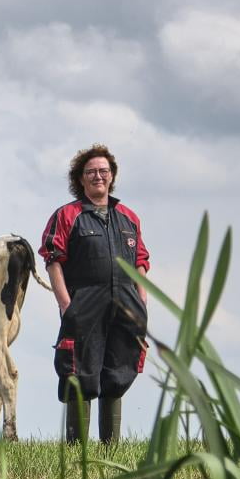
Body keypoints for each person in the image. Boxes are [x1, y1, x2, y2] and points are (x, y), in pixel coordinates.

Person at [40, 144, 149, 443]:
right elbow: (53, 259)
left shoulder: (129, 217)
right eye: (91, 172)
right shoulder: (67, 215)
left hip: (126, 302)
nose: (98, 176)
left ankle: (110, 448)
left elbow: (141, 261)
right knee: (79, 371)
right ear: (81, 178)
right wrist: (65, 303)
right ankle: (77, 448)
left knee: (118, 371)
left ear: (112, 176)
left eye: (103, 171)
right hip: (84, 301)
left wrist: (142, 299)